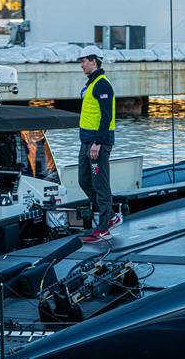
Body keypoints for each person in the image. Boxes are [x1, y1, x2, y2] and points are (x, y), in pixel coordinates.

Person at [77, 45, 120, 243]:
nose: (81, 65)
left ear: (94, 60)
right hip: (86, 141)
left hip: (97, 143)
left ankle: (104, 228)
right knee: (84, 180)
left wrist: (98, 143)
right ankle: (110, 216)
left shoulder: (103, 85)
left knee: (100, 184)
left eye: (83, 60)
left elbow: (107, 116)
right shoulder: (91, 84)